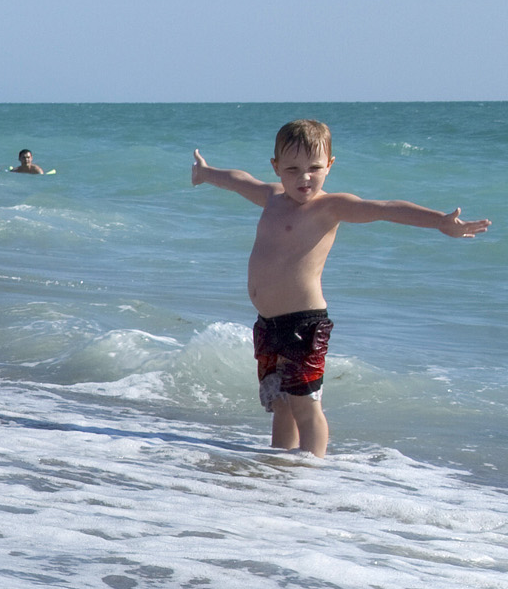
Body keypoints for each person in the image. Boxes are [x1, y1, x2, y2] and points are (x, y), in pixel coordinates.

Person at [190, 119, 489, 457]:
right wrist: (206, 173)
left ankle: (314, 474)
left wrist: (439, 221)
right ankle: (276, 470)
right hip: (267, 324)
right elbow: (239, 180)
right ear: (276, 168)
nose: (305, 177)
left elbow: (385, 209)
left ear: (329, 166)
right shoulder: (271, 196)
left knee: (305, 406)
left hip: (304, 324)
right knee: (281, 404)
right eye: (293, 169)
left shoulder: (330, 207)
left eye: (315, 168)